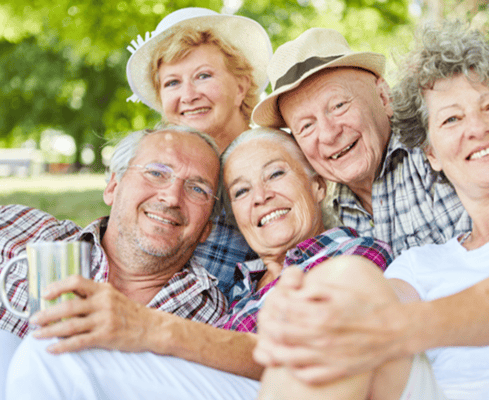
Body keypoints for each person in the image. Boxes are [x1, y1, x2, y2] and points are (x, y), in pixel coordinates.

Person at [255, 23, 489, 399]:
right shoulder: (418, 262)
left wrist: (384, 329)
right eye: (451, 119)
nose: (476, 127)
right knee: (342, 281)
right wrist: (301, 314)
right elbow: (357, 300)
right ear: (432, 153)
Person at [6, 128, 392, 400]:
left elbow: (322, 349)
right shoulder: (239, 288)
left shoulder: (350, 254)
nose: (261, 197)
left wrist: (147, 326)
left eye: (276, 173)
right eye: (241, 190)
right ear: (113, 185)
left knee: (51, 349)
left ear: (318, 186)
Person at [0, 124, 225, 396]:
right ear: (113, 187)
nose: (171, 197)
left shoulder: (212, 319)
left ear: (207, 229)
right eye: (156, 173)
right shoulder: (20, 232)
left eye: (198, 189)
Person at [126, 7, 273, 300]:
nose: (188, 95)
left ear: (241, 86)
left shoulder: (273, 161)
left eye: (203, 76)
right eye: (172, 83)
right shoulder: (155, 170)